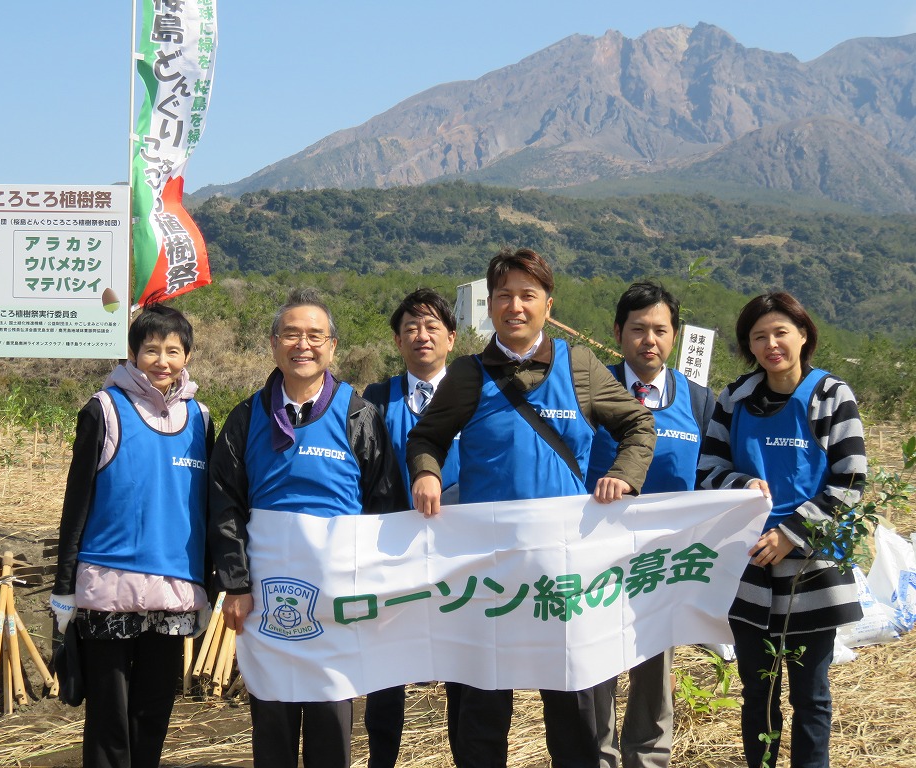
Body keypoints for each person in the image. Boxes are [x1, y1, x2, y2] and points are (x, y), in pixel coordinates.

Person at [407, 248, 657, 768]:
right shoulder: (468, 375)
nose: (515, 306)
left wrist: (623, 477)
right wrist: (427, 471)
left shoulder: (579, 366)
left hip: (562, 575)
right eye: (504, 296)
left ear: (548, 304)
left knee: (574, 713)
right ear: (490, 306)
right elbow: (426, 437)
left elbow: (637, 425)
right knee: (480, 714)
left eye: (528, 295)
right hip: (487, 575)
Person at [209, 287, 408, 768]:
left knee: (331, 715)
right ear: (274, 343)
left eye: (315, 335)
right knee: (272, 718)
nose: (304, 344)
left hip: (338, 598)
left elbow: (384, 507)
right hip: (265, 598)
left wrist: (377, 584)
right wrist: (234, 584)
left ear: (332, 346)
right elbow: (225, 506)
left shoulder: (359, 415)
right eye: (292, 334)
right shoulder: (245, 417)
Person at [697, 291, 865, 768]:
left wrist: (792, 532)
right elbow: (707, 467)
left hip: (813, 567)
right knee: (759, 692)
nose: (771, 345)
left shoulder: (831, 394)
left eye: (780, 333)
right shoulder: (735, 397)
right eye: (758, 336)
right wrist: (742, 482)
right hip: (748, 565)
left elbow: (851, 478)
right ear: (748, 345)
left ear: (803, 335)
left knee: (811, 693)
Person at [50, 300, 214, 768]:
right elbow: (76, 503)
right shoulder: (103, 410)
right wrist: (64, 587)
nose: (162, 361)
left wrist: (209, 583)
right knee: (109, 714)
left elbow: (206, 510)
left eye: (174, 351)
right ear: (132, 353)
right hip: (107, 586)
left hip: (175, 589)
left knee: (153, 711)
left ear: (187, 357)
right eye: (151, 350)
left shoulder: (201, 419)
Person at [585, 281, 715, 768]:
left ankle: (648, 758)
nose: (649, 340)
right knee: (596, 666)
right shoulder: (589, 392)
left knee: (654, 667)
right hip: (598, 556)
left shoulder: (699, 402)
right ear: (617, 333)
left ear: (675, 336)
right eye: (638, 329)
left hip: (667, 561)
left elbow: (713, 475)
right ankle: (598, 755)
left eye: (660, 330)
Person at [361, 288, 460, 768]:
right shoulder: (374, 401)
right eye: (411, 329)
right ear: (398, 341)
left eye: (432, 327)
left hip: (464, 556)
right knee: (387, 669)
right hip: (392, 554)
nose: (421, 337)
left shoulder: (479, 398)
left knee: (467, 670)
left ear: (452, 338)